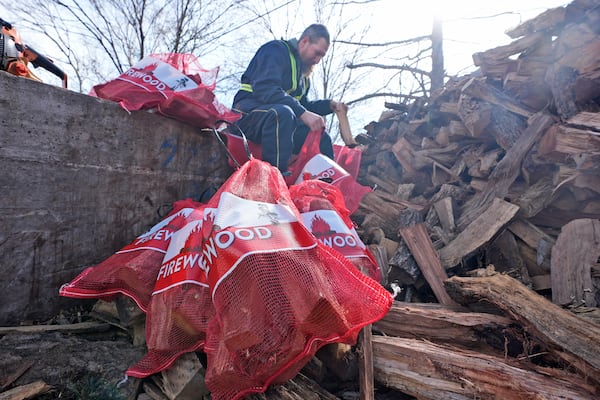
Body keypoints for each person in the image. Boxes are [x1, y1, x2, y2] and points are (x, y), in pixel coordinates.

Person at [232, 23, 347, 174]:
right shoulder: (276, 50)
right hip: (248, 115)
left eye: (322, 56)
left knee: (321, 137)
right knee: (283, 114)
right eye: (317, 53)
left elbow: (304, 108)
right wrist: (301, 112)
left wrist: (329, 105)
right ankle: (275, 179)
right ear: (304, 41)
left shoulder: (304, 79)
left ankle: (326, 186)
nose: (318, 60)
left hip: (282, 121)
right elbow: (265, 88)